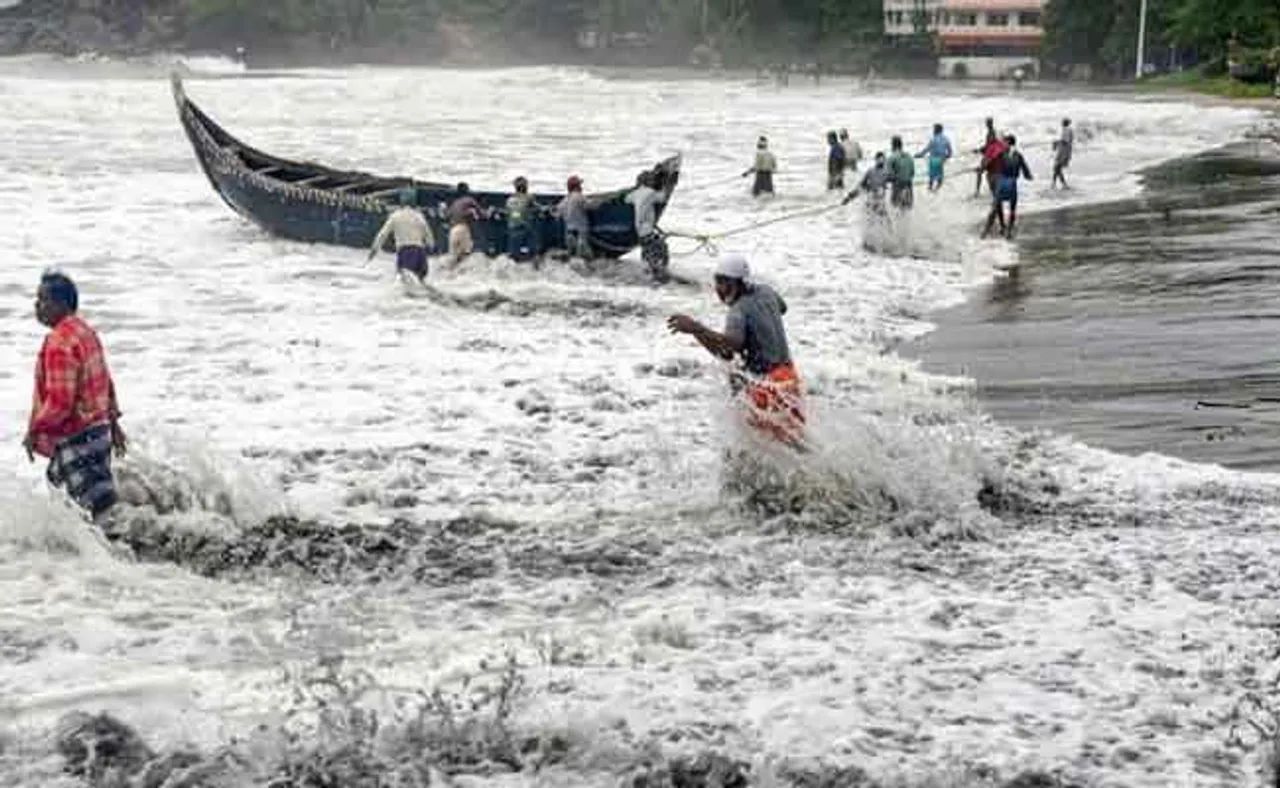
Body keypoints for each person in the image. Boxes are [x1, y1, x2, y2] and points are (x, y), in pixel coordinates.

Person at [666, 255, 804, 446]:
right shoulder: (767, 291)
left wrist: (696, 327)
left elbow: (732, 346)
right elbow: (782, 308)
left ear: (739, 283)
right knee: (795, 443)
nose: (719, 289)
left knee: (761, 448)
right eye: (717, 282)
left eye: (724, 283)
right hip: (789, 378)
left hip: (767, 387)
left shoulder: (738, 310)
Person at [25, 271, 127, 525]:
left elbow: (61, 401)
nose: (37, 306)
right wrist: (113, 423)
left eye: (42, 300)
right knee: (102, 507)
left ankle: (114, 559)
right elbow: (105, 380)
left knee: (84, 514)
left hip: (77, 439)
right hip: (99, 433)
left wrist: (35, 428)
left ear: (61, 304)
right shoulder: (85, 332)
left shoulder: (59, 342)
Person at [368, 188, 433, 283]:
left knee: (406, 285)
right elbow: (429, 236)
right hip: (421, 253)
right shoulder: (419, 216)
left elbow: (382, 234)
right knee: (420, 283)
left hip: (406, 252)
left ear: (401, 202)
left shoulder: (395, 216)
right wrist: (430, 246)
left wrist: (374, 250)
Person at [982, 133, 1033, 239]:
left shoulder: (1001, 154)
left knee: (994, 208)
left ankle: (985, 233)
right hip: (1012, 185)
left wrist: (981, 168)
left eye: (1004, 142)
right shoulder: (1019, 155)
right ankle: (1009, 232)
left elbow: (989, 163)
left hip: (1002, 183)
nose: (1002, 143)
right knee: (1012, 209)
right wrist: (1029, 176)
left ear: (1008, 143)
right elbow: (1027, 174)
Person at [626, 171, 670, 281]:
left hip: (640, 232)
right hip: (647, 230)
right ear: (647, 182)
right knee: (662, 248)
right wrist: (665, 185)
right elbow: (663, 197)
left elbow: (626, 199)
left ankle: (648, 272)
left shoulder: (635, 194)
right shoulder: (650, 192)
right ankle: (658, 273)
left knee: (649, 252)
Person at [842, 151, 890, 218]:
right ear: (876, 160)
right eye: (879, 159)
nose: (881, 161)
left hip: (880, 200)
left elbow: (893, 184)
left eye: (883, 160)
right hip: (871, 198)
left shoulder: (887, 172)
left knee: (883, 217)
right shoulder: (870, 171)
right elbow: (861, 185)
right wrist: (849, 197)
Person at [556, 175, 592, 260]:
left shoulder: (564, 201)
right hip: (580, 234)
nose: (581, 187)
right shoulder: (579, 196)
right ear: (577, 186)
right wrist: (601, 202)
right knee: (586, 258)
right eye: (580, 185)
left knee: (572, 257)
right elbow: (590, 206)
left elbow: (557, 214)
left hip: (569, 234)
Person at [505, 176, 540, 263]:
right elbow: (539, 208)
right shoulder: (529, 197)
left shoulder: (509, 199)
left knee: (514, 258)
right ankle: (534, 254)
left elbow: (510, 213)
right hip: (524, 229)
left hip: (511, 229)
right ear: (525, 187)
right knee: (535, 250)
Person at [447, 182, 481, 264]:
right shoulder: (469, 200)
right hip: (463, 229)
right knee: (465, 257)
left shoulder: (454, 203)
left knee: (453, 258)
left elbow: (448, 215)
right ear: (467, 191)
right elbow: (481, 213)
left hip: (453, 231)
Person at [916, 123, 953, 192]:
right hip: (942, 159)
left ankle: (931, 187)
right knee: (940, 175)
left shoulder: (933, 139)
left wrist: (919, 155)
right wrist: (948, 156)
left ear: (936, 130)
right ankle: (937, 187)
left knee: (932, 175)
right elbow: (950, 151)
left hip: (933, 159)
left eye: (934, 129)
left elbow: (926, 149)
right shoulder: (946, 139)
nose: (933, 131)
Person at [886, 135, 915, 211]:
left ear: (893, 145)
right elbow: (912, 173)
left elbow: (889, 176)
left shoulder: (891, 158)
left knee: (895, 209)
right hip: (909, 186)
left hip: (898, 186)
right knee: (908, 210)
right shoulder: (909, 156)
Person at [973, 117, 999, 196]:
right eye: (987, 123)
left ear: (990, 123)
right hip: (989, 154)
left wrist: (980, 150)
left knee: (980, 173)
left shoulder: (991, 133)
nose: (986, 124)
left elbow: (989, 145)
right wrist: (979, 150)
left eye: (987, 123)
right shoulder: (991, 132)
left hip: (989, 156)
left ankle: (977, 191)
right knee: (985, 173)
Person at [1052, 118, 1074, 189]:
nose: (1062, 122)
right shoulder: (1067, 130)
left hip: (1064, 152)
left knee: (1057, 168)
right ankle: (1055, 184)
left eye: (1063, 121)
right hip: (1064, 151)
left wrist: (1056, 143)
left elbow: (1065, 142)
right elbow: (1067, 141)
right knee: (1057, 168)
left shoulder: (1066, 130)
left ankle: (1059, 184)